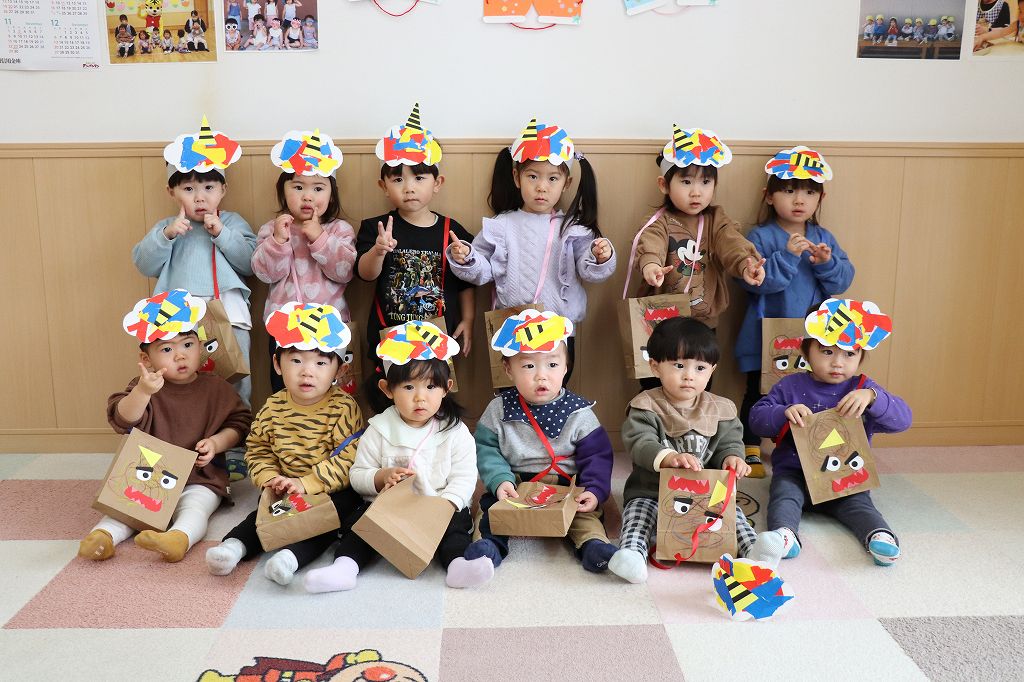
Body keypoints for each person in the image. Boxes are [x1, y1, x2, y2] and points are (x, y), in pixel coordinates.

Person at [303, 321, 483, 592]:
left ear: (447, 388)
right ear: (388, 389)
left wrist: (447, 504)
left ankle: (458, 566)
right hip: (391, 507)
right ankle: (345, 568)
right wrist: (380, 477)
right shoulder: (379, 429)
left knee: (455, 531)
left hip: (440, 504)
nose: (420, 398)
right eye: (409, 387)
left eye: (431, 387)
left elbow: (465, 476)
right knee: (362, 527)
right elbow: (357, 475)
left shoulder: (455, 431)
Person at [627, 125, 765, 468]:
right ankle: (656, 449)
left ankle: (699, 446)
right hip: (660, 326)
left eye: (705, 182)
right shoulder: (659, 220)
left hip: (702, 323)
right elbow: (650, 244)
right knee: (655, 388)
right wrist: (651, 266)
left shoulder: (716, 219)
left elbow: (732, 243)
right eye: (686, 181)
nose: (696, 191)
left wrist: (746, 264)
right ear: (665, 184)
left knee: (696, 387)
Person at [79, 290, 250, 563]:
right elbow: (122, 419)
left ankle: (178, 539)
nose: (180, 356)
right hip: (147, 476)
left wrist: (217, 443)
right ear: (147, 359)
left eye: (188, 345)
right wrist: (143, 392)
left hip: (200, 477)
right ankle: (102, 537)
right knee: (123, 510)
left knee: (197, 508)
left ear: (200, 347)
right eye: (167, 349)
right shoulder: (146, 387)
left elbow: (240, 425)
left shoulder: (216, 387)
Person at [205, 303, 365, 585]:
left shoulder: (343, 407)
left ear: (339, 370)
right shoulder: (273, 407)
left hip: (329, 488)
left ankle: (291, 558)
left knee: (327, 520)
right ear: (278, 364)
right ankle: (234, 547)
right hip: (284, 485)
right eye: (296, 361)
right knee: (265, 514)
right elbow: (258, 448)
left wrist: (308, 483)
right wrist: (270, 478)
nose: (307, 372)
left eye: (320, 363)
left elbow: (348, 457)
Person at [446, 119, 614, 382]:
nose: (541, 187)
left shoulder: (573, 228)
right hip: (512, 327)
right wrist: (466, 257)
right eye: (532, 176)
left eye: (552, 178)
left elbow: (590, 270)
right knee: (512, 393)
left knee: (554, 390)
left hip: (559, 329)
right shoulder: (502, 225)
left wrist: (600, 256)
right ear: (517, 177)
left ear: (566, 183)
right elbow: (483, 271)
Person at [458, 309, 618, 583]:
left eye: (552, 365)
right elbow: (486, 449)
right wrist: (499, 480)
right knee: (489, 511)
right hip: (515, 484)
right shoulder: (498, 409)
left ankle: (594, 547)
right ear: (508, 369)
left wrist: (594, 489)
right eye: (529, 366)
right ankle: (487, 549)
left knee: (585, 515)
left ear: (566, 366)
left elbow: (598, 456)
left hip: (565, 487)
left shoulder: (579, 412)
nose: (541, 376)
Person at [749, 299, 911, 567]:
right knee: (784, 497)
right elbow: (756, 420)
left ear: (861, 356)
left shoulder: (862, 388)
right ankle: (785, 537)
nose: (838, 362)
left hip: (844, 479)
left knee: (860, 504)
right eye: (826, 351)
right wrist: (783, 412)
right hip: (795, 473)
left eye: (849, 354)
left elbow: (903, 420)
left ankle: (879, 536)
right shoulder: (790, 385)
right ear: (806, 350)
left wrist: (873, 397)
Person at [609, 317, 763, 583]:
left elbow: (729, 442)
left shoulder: (721, 408)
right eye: (679, 365)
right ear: (655, 367)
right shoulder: (645, 405)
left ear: (712, 370)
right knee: (637, 516)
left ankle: (756, 553)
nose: (689, 375)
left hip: (706, 497)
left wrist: (733, 458)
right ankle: (632, 554)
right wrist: (669, 457)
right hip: (651, 491)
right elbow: (639, 442)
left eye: (700, 368)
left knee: (734, 515)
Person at [734, 147, 853, 478]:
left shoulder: (823, 237)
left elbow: (843, 282)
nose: (799, 200)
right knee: (758, 389)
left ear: (820, 198)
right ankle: (750, 446)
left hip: (813, 337)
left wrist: (826, 263)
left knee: (808, 390)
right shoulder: (760, 236)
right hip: (766, 334)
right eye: (788, 190)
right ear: (769, 196)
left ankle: (801, 445)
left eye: (809, 192)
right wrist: (787, 255)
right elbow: (757, 283)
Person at [132, 117, 256, 414]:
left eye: (209, 187)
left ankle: (237, 430)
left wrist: (222, 234)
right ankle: (188, 429)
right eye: (188, 189)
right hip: (178, 319)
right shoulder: (169, 226)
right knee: (183, 380)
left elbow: (250, 263)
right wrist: (167, 235)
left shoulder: (231, 222)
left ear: (223, 189)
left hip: (229, 314)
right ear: (171, 192)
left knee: (235, 379)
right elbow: (144, 264)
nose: (200, 197)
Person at [356, 104, 475, 402]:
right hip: (388, 333)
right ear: (384, 186)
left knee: (433, 400)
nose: (409, 187)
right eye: (398, 180)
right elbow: (365, 274)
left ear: (437, 183)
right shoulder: (376, 227)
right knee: (388, 399)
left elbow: (466, 281)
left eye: (419, 178)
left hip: (438, 336)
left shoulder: (451, 229)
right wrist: (378, 251)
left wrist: (469, 319)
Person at [252, 129, 355, 393]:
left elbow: (344, 271)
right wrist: (278, 241)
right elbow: (265, 274)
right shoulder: (272, 229)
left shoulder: (339, 229)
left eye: (318, 188)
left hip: (329, 326)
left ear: (331, 194)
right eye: (298, 187)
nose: (307, 196)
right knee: (283, 390)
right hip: (284, 327)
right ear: (283, 192)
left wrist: (319, 237)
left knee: (330, 392)